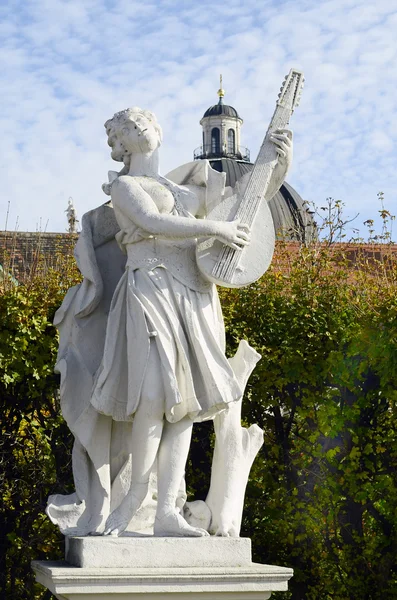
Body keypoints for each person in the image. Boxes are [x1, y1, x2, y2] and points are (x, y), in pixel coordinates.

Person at [46, 106, 292, 538]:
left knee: (186, 402)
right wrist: (213, 228)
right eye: (128, 127)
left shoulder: (186, 184)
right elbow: (151, 221)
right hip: (149, 288)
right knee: (155, 393)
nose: (140, 128)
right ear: (121, 144)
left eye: (144, 122)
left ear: (157, 133)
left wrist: (276, 162)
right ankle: (135, 496)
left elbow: (247, 205)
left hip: (193, 294)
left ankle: (166, 513)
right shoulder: (125, 186)